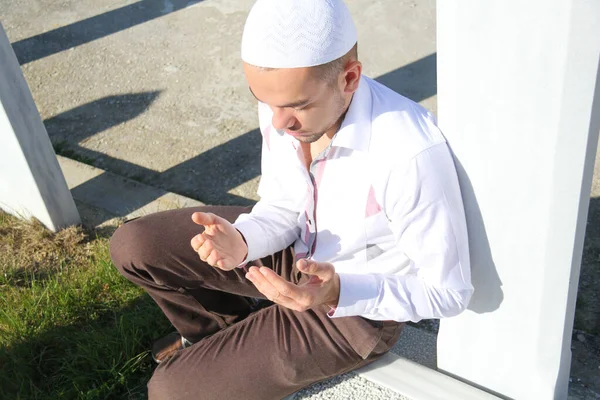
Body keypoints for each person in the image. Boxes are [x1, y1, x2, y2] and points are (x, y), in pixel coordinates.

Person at [109, 0, 474, 398]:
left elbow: (450, 292)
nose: (279, 123)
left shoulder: (409, 156)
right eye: (265, 101)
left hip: (354, 309)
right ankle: (216, 338)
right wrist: (243, 240)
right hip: (298, 246)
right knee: (133, 245)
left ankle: (217, 361)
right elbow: (284, 205)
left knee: (167, 391)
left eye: (297, 106)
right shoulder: (283, 107)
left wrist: (336, 291)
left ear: (349, 78)